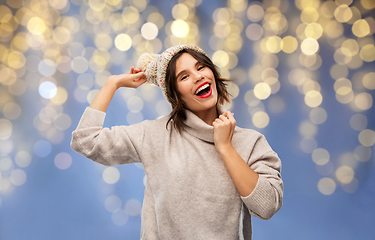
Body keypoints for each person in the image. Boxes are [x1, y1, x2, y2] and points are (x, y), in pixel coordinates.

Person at [70, 44, 283, 240]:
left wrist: (225, 147)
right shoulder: (155, 135)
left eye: (201, 67)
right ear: (175, 95)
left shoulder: (250, 142)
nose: (198, 77)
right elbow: (86, 141)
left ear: (213, 74)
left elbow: (267, 206)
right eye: (184, 77)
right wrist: (112, 83)